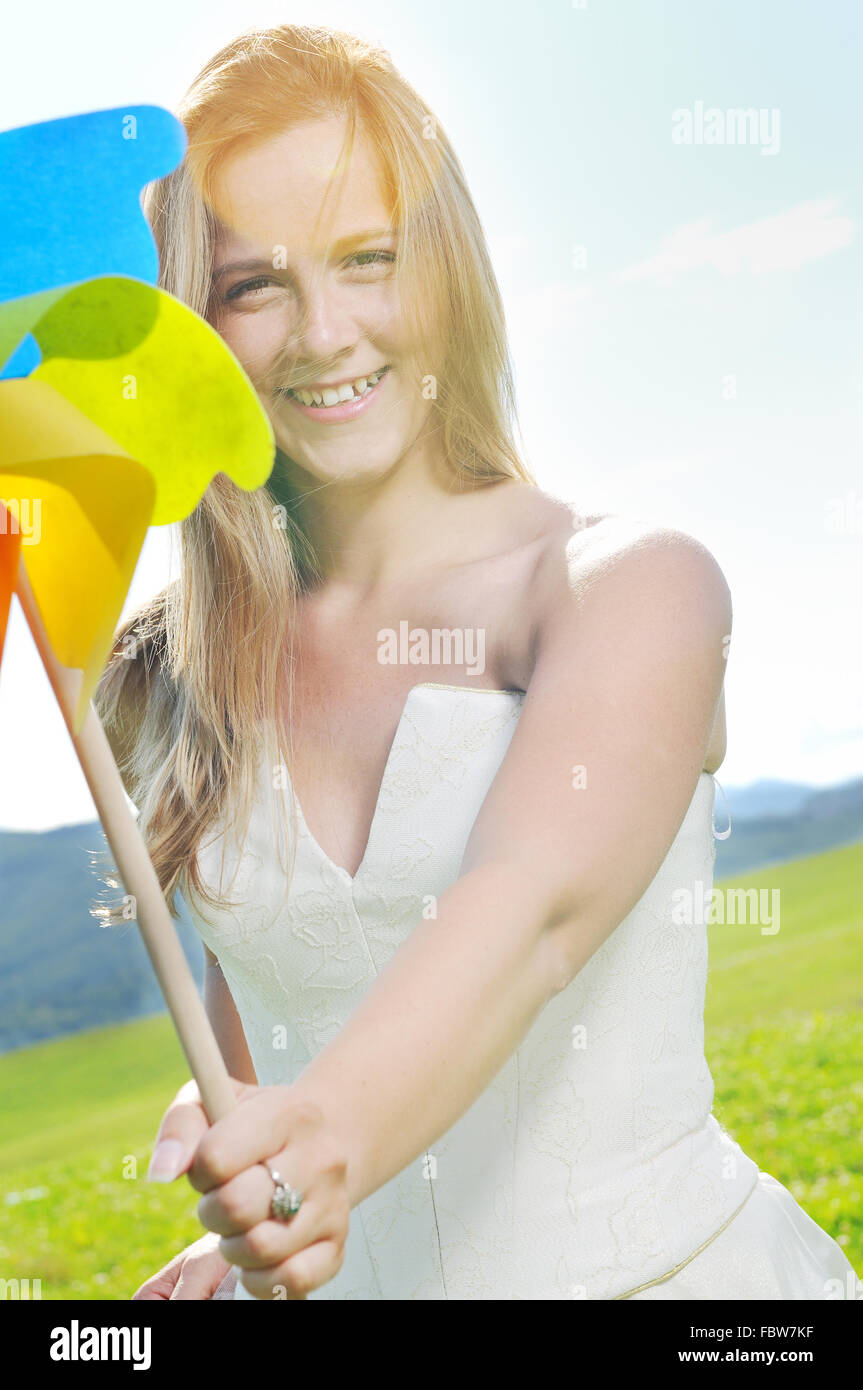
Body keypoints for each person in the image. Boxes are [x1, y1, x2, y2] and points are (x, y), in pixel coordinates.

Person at [94, 23, 859, 1301]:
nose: (323, 332)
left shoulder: (631, 588)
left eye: (366, 260)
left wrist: (326, 1142)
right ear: (193, 323)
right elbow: (278, 1004)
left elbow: (529, 915)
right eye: (253, 285)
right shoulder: (159, 678)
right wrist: (244, 1194)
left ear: (441, 271)